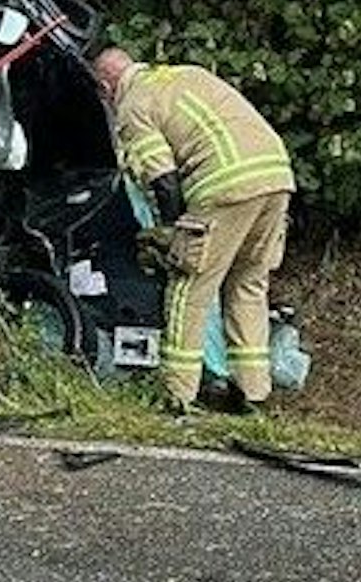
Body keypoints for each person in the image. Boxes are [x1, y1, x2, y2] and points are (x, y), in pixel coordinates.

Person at [92, 48, 295, 413]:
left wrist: (173, 233)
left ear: (106, 87)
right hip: (275, 174)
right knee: (248, 284)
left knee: (189, 288)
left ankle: (177, 397)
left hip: (224, 184)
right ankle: (253, 395)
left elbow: (163, 180)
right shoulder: (185, 74)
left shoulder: (133, 104)